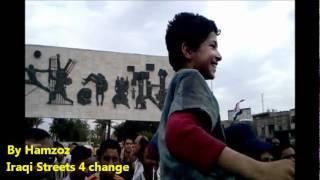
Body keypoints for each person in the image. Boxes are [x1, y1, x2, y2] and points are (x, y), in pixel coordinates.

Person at [155, 12, 294, 179]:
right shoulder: (192, 78)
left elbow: (152, 149)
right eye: (213, 46)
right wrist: (260, 170)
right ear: (188, 50)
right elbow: (179, 133)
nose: (219, 56)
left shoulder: (174, 97)